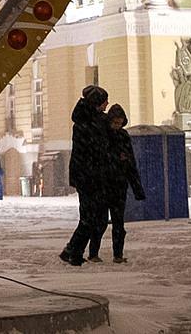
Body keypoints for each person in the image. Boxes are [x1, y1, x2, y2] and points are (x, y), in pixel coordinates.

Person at [88, 104, 145, 263]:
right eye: (115, 123)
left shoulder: (124, 136)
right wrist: (117, 158)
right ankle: (93, 253)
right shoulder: (102, 136)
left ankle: (118, 254)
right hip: (103, 185)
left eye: (120, 123)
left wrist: (137, 187)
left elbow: (130, 163)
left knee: (118, 223)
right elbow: (100, 158)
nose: (117, 126)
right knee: (100, 221)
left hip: (119, 186)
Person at [60, 85, 111, 266]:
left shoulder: (84, 121)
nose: (107, 103)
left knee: (89, 217)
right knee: (92, 217)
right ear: (97, 102)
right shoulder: (91, 123)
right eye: (104, 100)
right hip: (91, 176)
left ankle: (72, 250)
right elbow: (97, 149)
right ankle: (73, 251)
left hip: (86, 176)